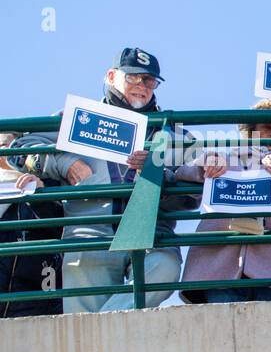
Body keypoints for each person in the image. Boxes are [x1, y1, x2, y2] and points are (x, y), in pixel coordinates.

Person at [17, 48, 192, 313]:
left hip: (153, 234)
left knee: (164, 272)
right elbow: (20, 148)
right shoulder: (81, 118)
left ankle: (103, 325)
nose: (142, 86)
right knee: (81, 308)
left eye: (149, 80)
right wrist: (65, 163)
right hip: (89, 231)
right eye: (133, 77)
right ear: (111, 76)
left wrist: (157, 175)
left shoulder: (174, 132)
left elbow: (192, 195)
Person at [174, 100, 271, 303]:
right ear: (251, 130)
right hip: (219, 268)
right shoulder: (227, 160)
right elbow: (181, 174)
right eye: (267, 128)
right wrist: (206, 163)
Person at [0, 132, 63, 317]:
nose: (5, 151)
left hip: (37, 301)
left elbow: (60, 227)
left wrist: (40, 195)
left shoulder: (43, 180)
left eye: (10, 146)